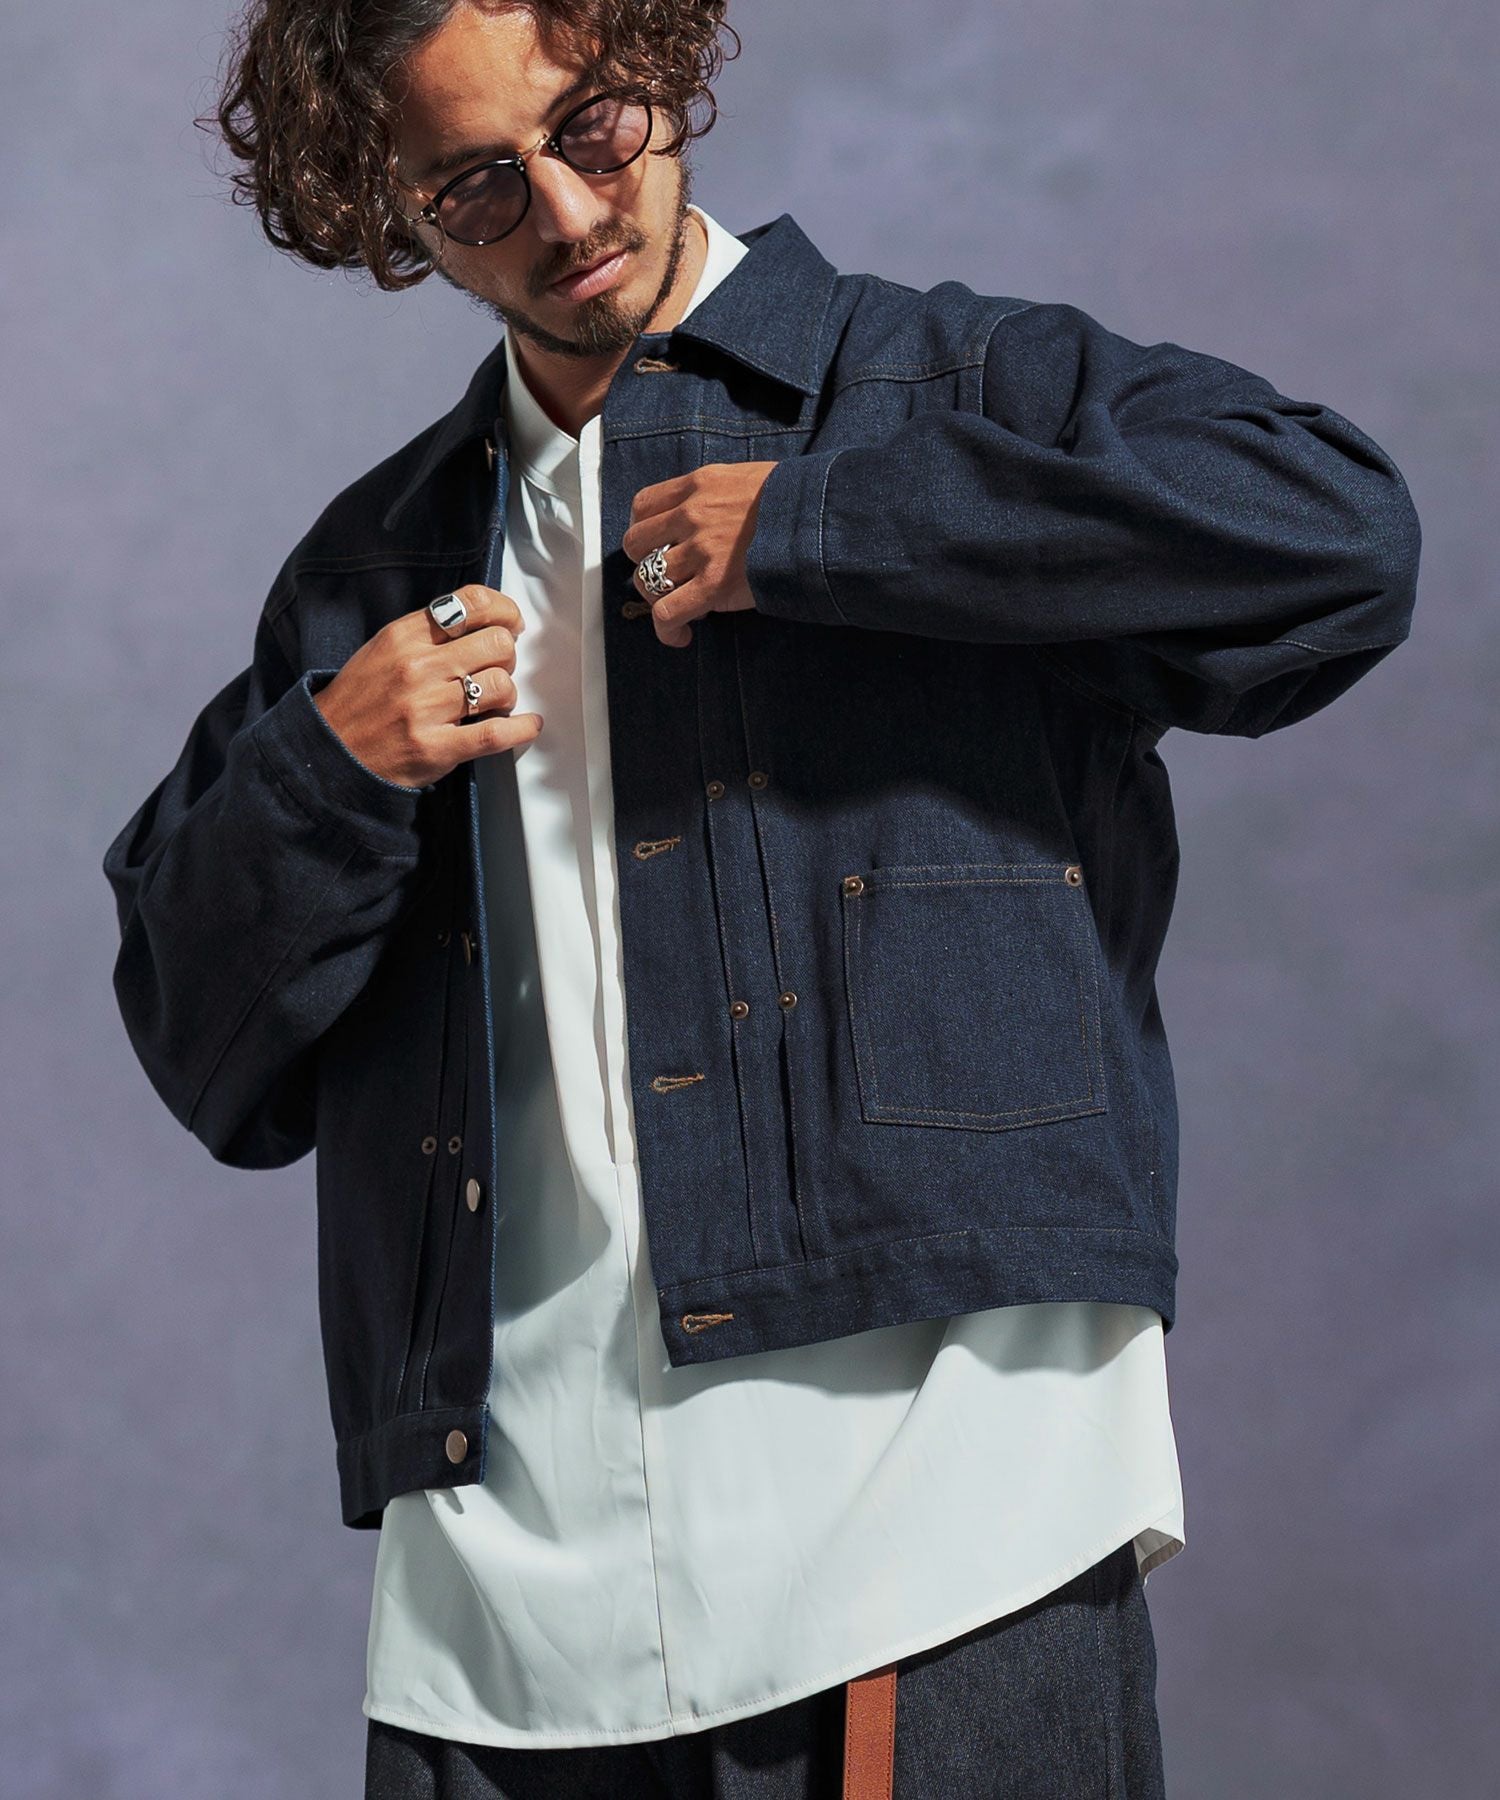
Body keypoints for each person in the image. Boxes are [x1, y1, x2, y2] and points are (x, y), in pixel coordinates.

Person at [102, 2, 1422, 1795]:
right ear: (390, 212)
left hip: (943, 1511)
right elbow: (205, 1053)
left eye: (593, 123)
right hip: (510, 1595)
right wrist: (329, 768)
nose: (569, 214)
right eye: (477, 185)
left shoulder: (943, 388)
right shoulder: (370, 571)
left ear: (661, 63)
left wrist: (825, 527)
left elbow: (1339, 538)